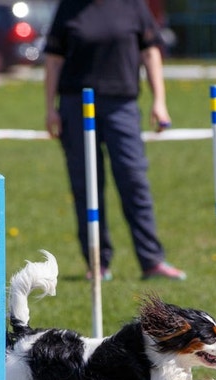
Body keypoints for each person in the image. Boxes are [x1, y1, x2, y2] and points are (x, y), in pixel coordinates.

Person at [43, 0, 186, 281]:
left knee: (133, 180)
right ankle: (97, 263)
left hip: (122, 104)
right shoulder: (69, 7)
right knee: (85, 185)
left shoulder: (132, 5)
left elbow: (150, 53)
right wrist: (50, 108)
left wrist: (160, 101)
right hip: (75, 105)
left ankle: (152, 261)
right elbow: (53, 60)